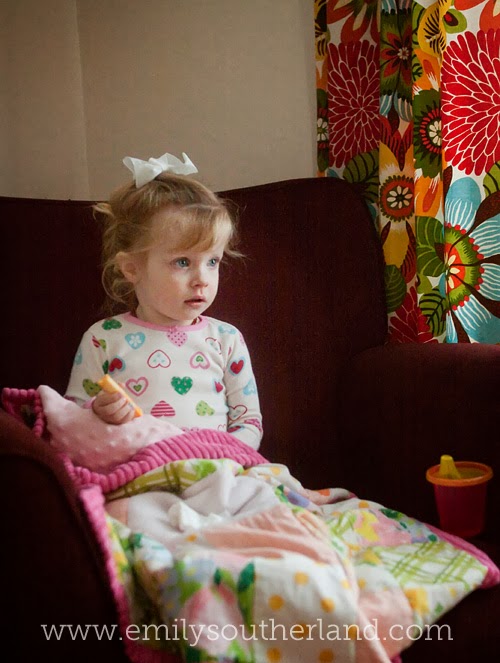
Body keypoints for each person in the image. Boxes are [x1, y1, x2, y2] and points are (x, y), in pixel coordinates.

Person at [65, 151, 263, 450]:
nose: (202, 279)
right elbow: (70, 424)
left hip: (217, 465)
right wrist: (98, 412)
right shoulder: (102, 339)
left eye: (212, 262)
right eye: (182, 262)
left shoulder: (226, 339)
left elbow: (249, 422)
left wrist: (226, 457)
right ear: (132, 268)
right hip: (140, 468)